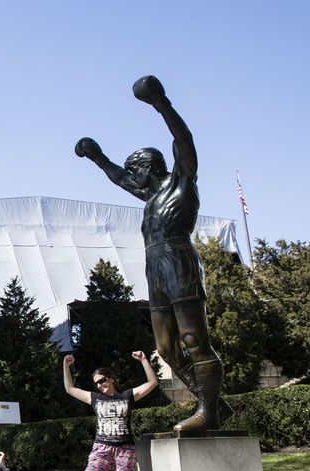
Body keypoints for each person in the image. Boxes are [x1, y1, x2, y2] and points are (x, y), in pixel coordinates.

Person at [75, 75, 230, 431]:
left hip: (178, 260)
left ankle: (208, 412)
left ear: (149, 168)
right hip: (155, 266)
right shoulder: (149, 198)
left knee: (193, 340)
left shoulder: (182, 182)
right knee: (167, 348)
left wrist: (160, 102)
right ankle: (215, 404)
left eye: (135, 170)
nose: (130, 176)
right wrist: (97, 156)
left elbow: (184, 140)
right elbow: (118, 178)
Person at [63, 351, 158, 471]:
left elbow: (152, 383)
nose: (99, 385)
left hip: (125, 450)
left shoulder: (127, 396)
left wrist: (143, 360)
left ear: (112, 378)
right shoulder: (95, 398)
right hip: (102, 449)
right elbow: (70, 388)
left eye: (102, 380)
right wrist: (66, 367)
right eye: (96, 383)